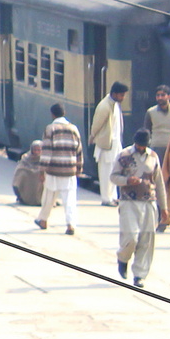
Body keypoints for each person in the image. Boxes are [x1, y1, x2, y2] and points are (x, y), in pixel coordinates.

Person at [112, 128, 163, 286]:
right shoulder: (124, 155)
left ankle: (139, 275)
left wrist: (165, 207)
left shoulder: (153, 157)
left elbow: (159, 182)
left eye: (144, 146)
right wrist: (127, 181)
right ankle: (123, 258)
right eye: (139, 145)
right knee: (131, 238)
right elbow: (113, 177)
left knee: (146, 239)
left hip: (149, 202)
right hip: (129, 202)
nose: (141, 148)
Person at [36, 102, 82, 234]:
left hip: (54, 170)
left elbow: (47, 151)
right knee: (70, 199)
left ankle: (43, 220)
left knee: (48, 197)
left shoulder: (50, 129)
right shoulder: (74, 129)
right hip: (69, 170)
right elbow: (79, 150)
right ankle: (70, 225)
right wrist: (79, 168)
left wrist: (42, 170)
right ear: (64, 113)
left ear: (52, 114)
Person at [143, 85, 170, 222]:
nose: (160, 98)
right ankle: (160, 214)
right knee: (159, 182)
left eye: (163, 95)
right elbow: (146, 131)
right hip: (157, 150)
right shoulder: (151, 112)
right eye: (158, 95)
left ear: (169, 97)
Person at [89, 81, 128, 206]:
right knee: (106, 172)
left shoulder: (115, 104)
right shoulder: (104, 106)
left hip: (115, 143)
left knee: (114, 170)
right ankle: (106, 198)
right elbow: (97, 124)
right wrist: (92, 136)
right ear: (115, 94)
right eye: (121, 95)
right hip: (106, 144)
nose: (123, 98)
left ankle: (113, 196)